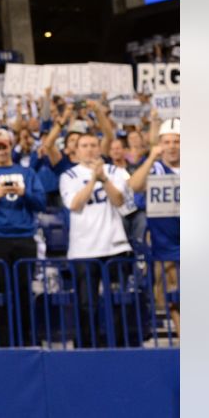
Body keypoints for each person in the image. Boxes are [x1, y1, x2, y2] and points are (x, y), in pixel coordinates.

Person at [0, 136, 47, 346]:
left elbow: (41, 203)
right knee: (2, 292)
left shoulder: (27, 173)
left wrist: (24, 193)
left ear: (10, 147)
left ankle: (25, 340)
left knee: (24, 291)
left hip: (24, 237)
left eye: (4, 146)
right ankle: (4, 342)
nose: (1, 150)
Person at [60, 134, 133, 348]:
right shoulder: (69, 175)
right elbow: (74, 204)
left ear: (100, 148)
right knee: (86, 304)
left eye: (93, 145)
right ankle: (87, 347)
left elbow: (119, 201)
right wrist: (93, 179)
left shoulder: (116, 172)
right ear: (76, 150)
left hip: (115, 246)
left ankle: (119, 346)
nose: (89, 150)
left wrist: (104, 179)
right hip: (83, 249)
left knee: (118, 301)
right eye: (84, 146)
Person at [129, 119, 180, 338]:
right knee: (174, 298)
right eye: (167, 142)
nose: (171, 146)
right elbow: (135, 185)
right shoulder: (156, 167)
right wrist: (151, 156)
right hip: (165, 243)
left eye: (177, 141)